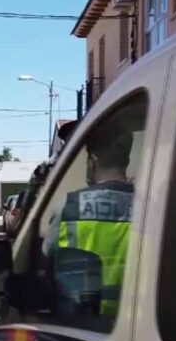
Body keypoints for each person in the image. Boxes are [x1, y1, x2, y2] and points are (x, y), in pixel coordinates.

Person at [45, 131, 134, 318]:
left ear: (92, 162)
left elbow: (47, 254)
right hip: (133, 318)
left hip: (82, 319)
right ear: (125, 162)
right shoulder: (150, 206)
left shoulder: (68, 206)